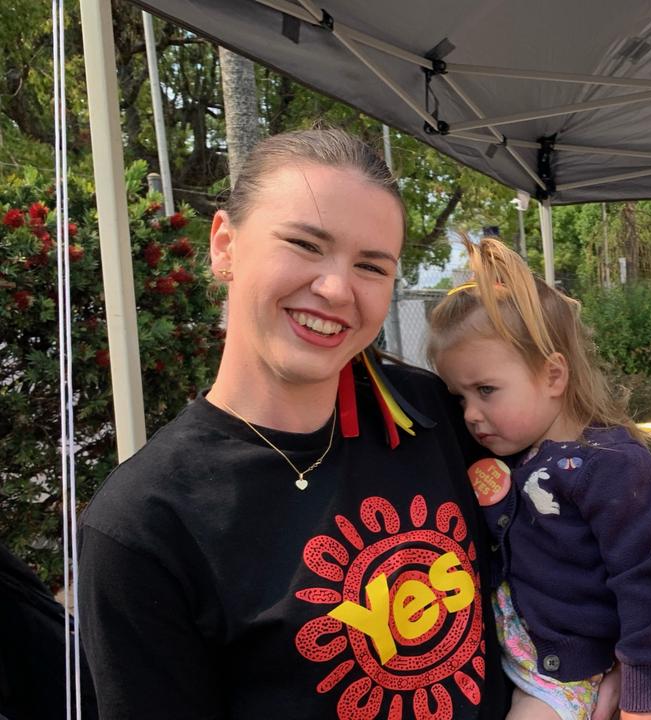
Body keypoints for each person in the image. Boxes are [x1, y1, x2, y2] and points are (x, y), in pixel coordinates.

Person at [77, 127, 512, 719]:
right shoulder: (145, 523)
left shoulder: (427, 411)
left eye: (371, 266)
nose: (336, 289)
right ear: (225, 245)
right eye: (306, 245)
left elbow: (563, 528)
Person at [428, 237, 651, 720]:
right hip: (517, 663)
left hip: (568, 677)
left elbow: (643, 579)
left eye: (486, 390)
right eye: (460, 398)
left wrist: (643, 695)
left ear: (552, 376)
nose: (472, 415)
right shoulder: (514, 452)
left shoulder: (608, 464)